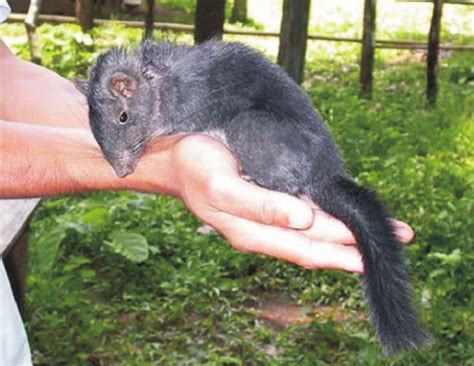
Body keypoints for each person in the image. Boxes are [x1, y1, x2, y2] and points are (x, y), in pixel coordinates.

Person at [0, 2, 414, 364]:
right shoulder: (152, 90)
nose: (123, 166)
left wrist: (172, 156)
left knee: (247, 134)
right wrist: (160, 164)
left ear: (125, 87)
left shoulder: (182, 88)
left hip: (287, 152)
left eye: (126, 125)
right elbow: (134, 134)